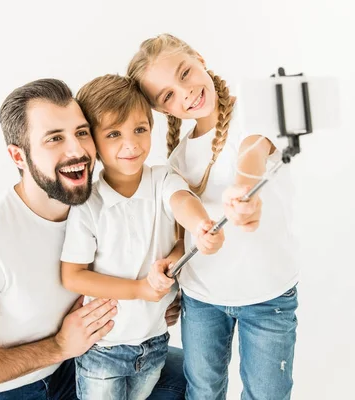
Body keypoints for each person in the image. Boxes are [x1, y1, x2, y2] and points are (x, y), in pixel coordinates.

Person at [0, 78, 187, 400]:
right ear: (18, 156)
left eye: (81, 133)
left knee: (187, 374)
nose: (76, 150)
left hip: (72, 364)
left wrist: (157, 300)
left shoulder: (96, 207)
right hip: (6, 388)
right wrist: (58, 346)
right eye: (54, 139)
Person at [127, 34, 299, 400]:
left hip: (268, 297)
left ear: (199, 58)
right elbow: (181, 238)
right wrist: (170, 267)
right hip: (202, 299)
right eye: (168, 96)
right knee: (203, 392)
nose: (185, 93)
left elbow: (251, 154)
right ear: (162, 111)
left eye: (185, 73)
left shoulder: (253, 111)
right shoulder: (177, 160)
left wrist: (242, 190)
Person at [60, 75, 225, 399]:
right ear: (92, 141)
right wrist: (139, 289)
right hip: (103, 349)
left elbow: (182, 203)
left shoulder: (162, 178)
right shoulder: (89, 205)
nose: (131, 144)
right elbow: (73, 276)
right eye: (113, 134)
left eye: (140, 129)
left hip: (153, 344)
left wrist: (199, 226)